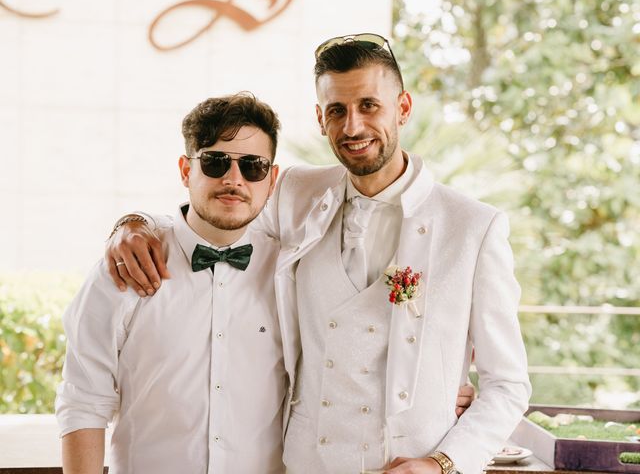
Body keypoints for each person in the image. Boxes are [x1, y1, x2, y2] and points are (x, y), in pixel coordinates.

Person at [106, 33, 530, 474]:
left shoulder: (473, 228)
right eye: (336, 111)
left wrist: (442, 463)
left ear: (403, 108)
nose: (352, 127)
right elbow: (213, 211)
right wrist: (133, 224)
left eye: (369, 105)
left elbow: (508, 386)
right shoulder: (294, 191)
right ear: (320, 118)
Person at [55, 93, 287, 473]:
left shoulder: (290, 272)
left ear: (271, 179)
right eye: (214, 162)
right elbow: (83, 401)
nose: (233, 179)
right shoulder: (124, 268)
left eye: (253, 166)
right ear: (185, 170)